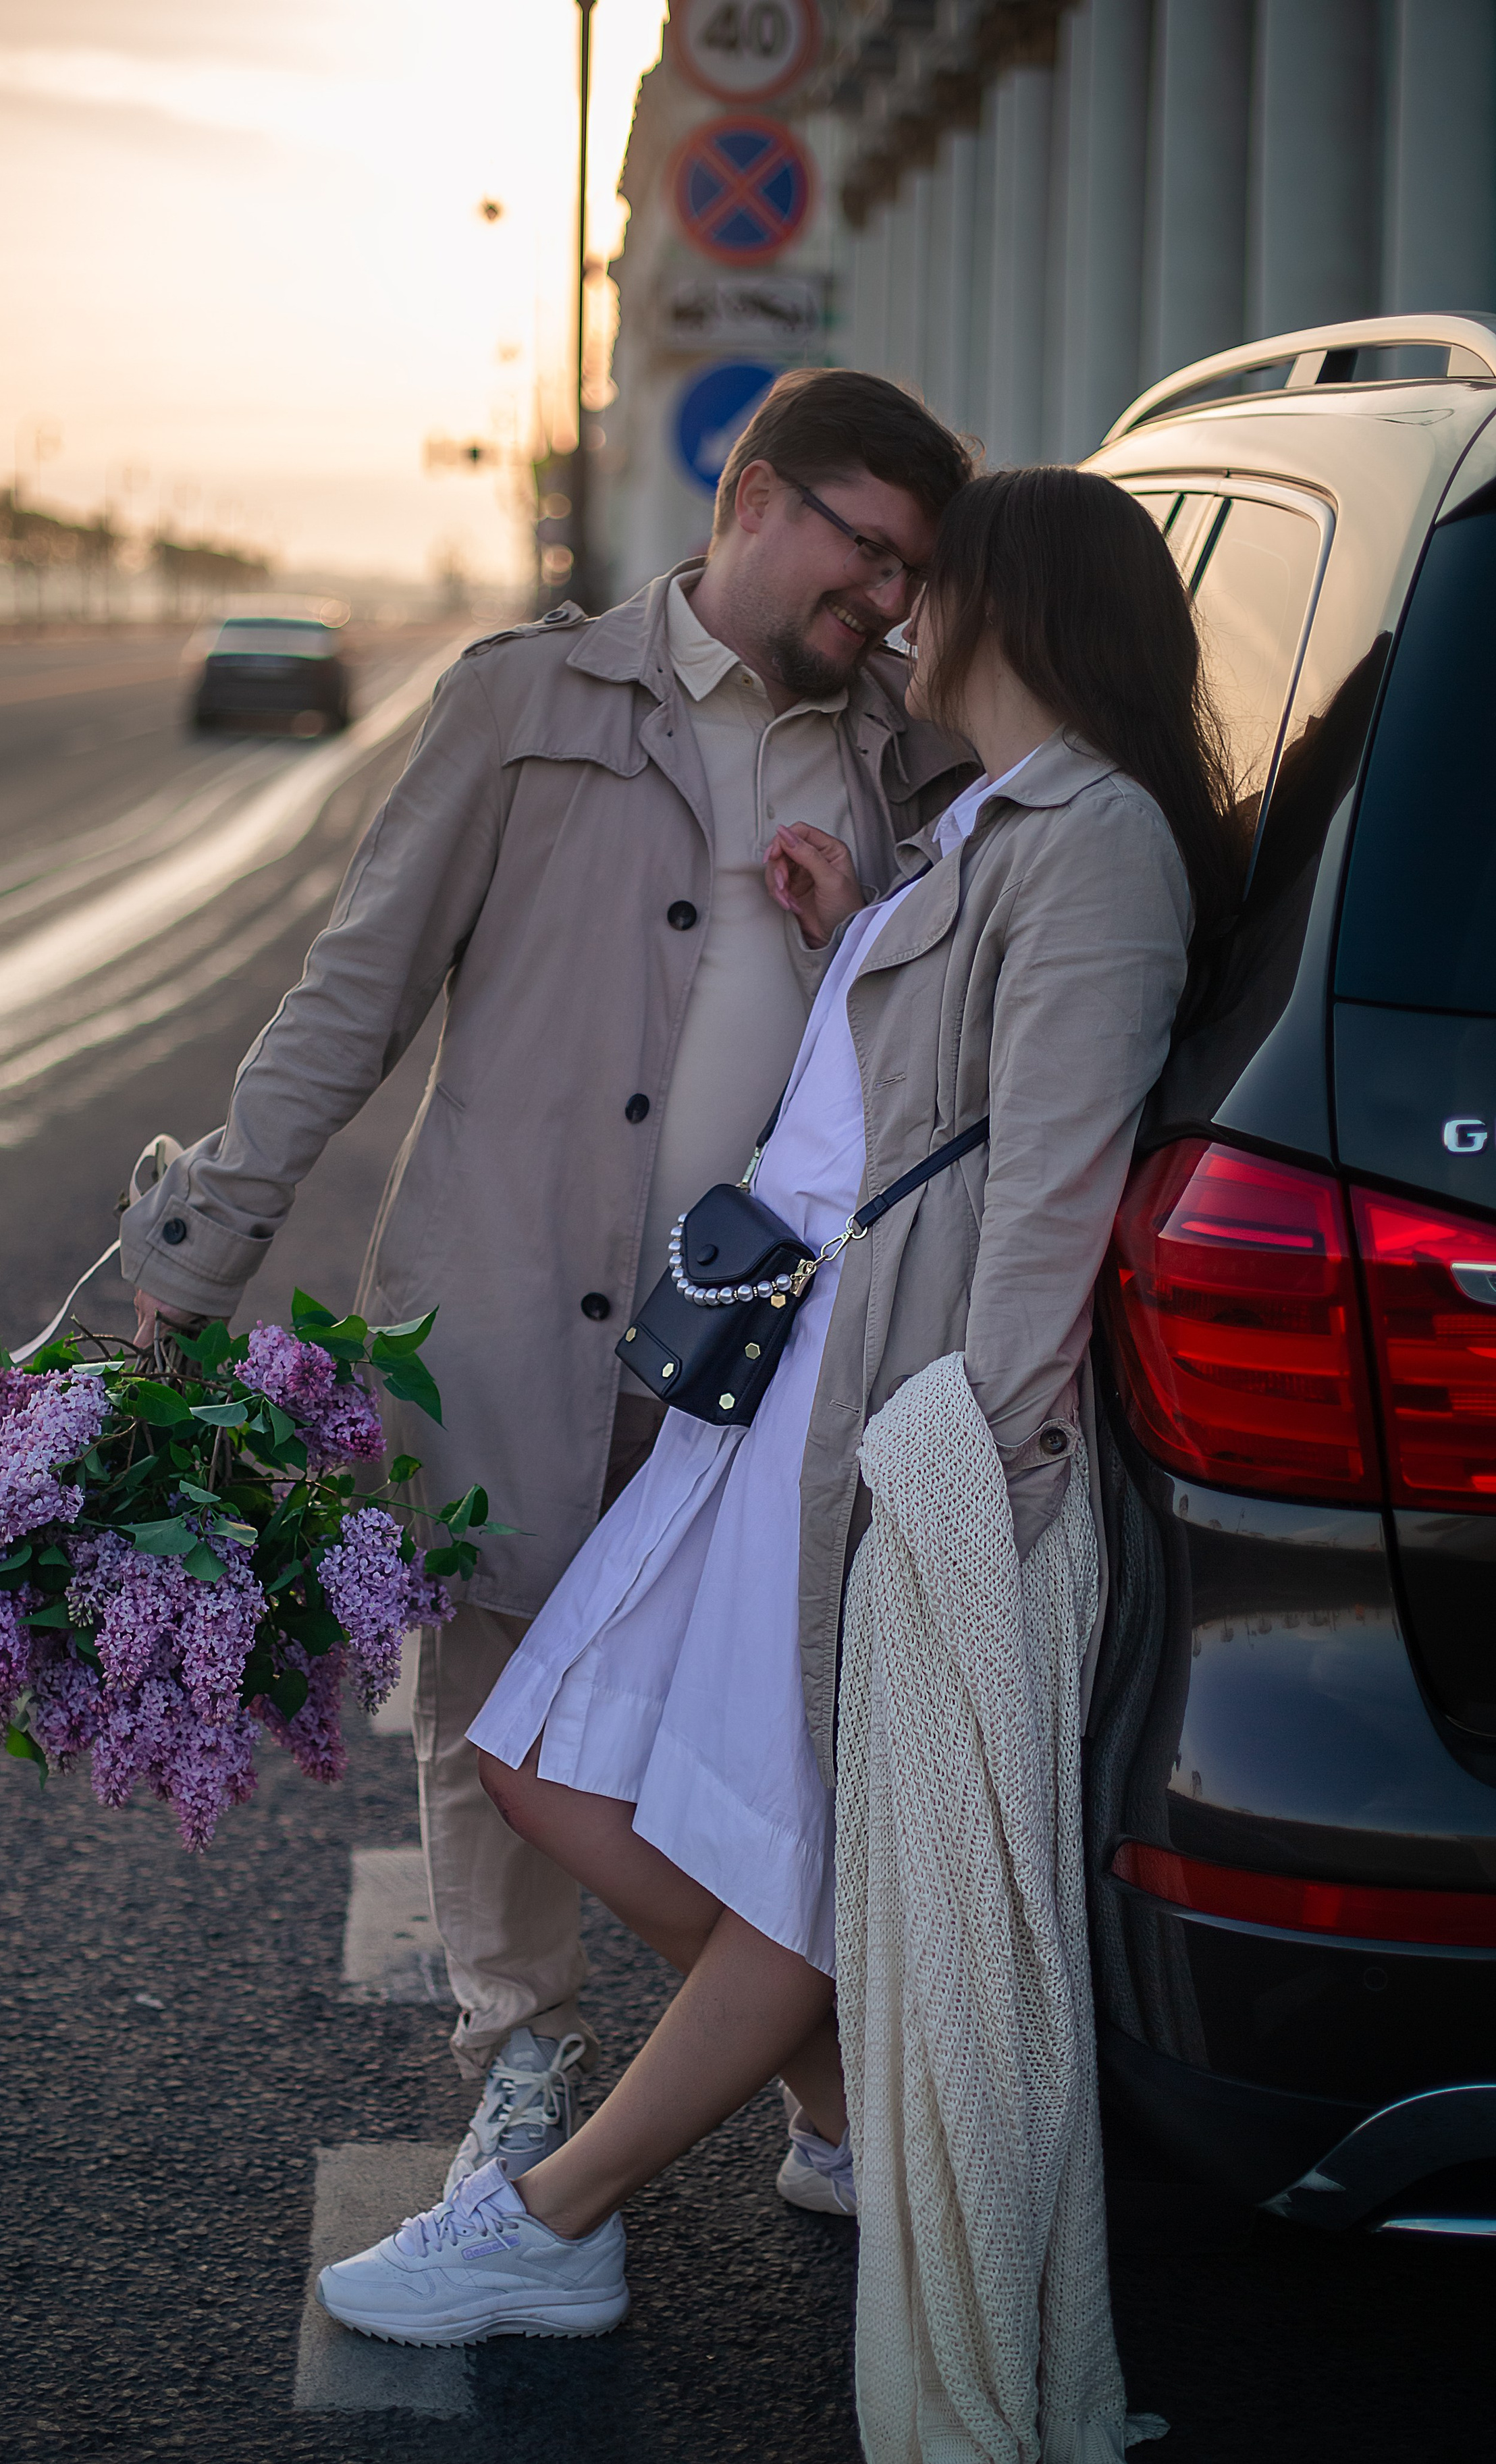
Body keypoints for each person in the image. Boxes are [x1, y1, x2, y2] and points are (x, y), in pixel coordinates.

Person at [313, 464, 1241, 2348]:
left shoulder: (1104, 840)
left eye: (939, 584)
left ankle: (555, 2217)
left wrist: (964, 1484)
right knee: (542, 1751)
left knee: (800, 1856)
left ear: (1026, 611)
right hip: (784, 1387)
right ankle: (839, 2105)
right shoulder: (1006, 815)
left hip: (889, 1422)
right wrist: (853, 933)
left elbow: (1044, 1197)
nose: (908, 615)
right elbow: (927, 1104)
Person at [118, 369, 976, 2194]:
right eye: (869, 551)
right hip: (512, 1296)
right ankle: (526, 2049)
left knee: (768, 1706)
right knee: (493, 1684)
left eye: (913, 573)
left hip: (789, 1332)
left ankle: (818, 2074)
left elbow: (946, 1037)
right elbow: (356, 990)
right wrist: (201, 1240)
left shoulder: (907, 747)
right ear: (754, 496)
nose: (891, 601)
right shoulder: (525, 698)